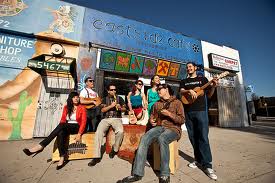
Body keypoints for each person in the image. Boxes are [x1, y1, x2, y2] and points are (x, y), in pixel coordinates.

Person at [120, 84, 184, 183]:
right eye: (157, 89)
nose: (158, 91)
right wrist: (151, 120)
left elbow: (182, 120)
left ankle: (165, 175)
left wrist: (170, 114)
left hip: (173, 128)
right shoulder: (156, 104)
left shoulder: (177, 102)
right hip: (159, 127)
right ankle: (137, 173)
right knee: (144, 138)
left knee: (162, 138)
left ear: (166, 89)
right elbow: (152, 117)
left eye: (160, 89)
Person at [22, 92, 87, 170]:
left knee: (62, 126)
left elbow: (84, 122)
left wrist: (79, 134)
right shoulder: (66, 107)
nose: (76, 99)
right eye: (74, 97)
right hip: (66, 127)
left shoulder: (82, 107)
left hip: (77, 127)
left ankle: (41, 146)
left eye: (77, 97)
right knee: (60, 133)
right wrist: (60, 127)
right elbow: (63, 120)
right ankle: (62, 157)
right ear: (70, 99)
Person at [180, 62, 218, 180]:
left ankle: (207, 165)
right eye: (187, 67)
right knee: (193, 137)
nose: (189, 68)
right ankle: (198, 160)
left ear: (195, 68)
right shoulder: (184, 81)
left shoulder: (202, 80)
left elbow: (210, 95)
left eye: (190, 66)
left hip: (201, 111)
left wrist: (214, 86)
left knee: (203, 137)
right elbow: (181, 91)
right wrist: (188, 91)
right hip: (188, 112)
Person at [88, 83, 126, 166]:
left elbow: (124, 109)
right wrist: (111, 106)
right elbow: (102, 110)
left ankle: (115, 149)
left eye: (115, 90)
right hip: (105, 119)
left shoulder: (120, 99)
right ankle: (96, 157)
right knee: (98, 133)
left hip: (116, 118)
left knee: (120, 131)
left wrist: (120, 108)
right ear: (108, 91)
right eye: (111, 90)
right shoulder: (104, 99)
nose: (113, 91)